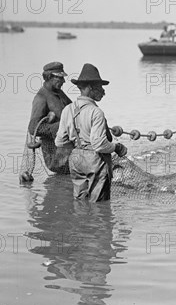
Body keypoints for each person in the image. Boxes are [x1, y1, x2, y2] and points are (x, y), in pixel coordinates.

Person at [55, 63, 128, 202]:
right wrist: (117, 147)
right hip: (95, 161)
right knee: (99, 205)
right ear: (89, 88)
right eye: (99, 87)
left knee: (80, 202)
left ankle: (83, 223)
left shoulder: (67, 110)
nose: (103, 91)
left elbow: (60, 142)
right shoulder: (96, 112)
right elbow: (99, 145)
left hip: (75, 160)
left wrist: (79, 149)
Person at [28, 61, 72, 174]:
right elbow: (33, 128)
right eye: (60, 78)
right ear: (49, 77)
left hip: (66, 148)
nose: (63, 81)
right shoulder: (41, 98)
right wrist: (60, 126)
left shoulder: (59, 93)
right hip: (55, 155)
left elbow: (73, 110)